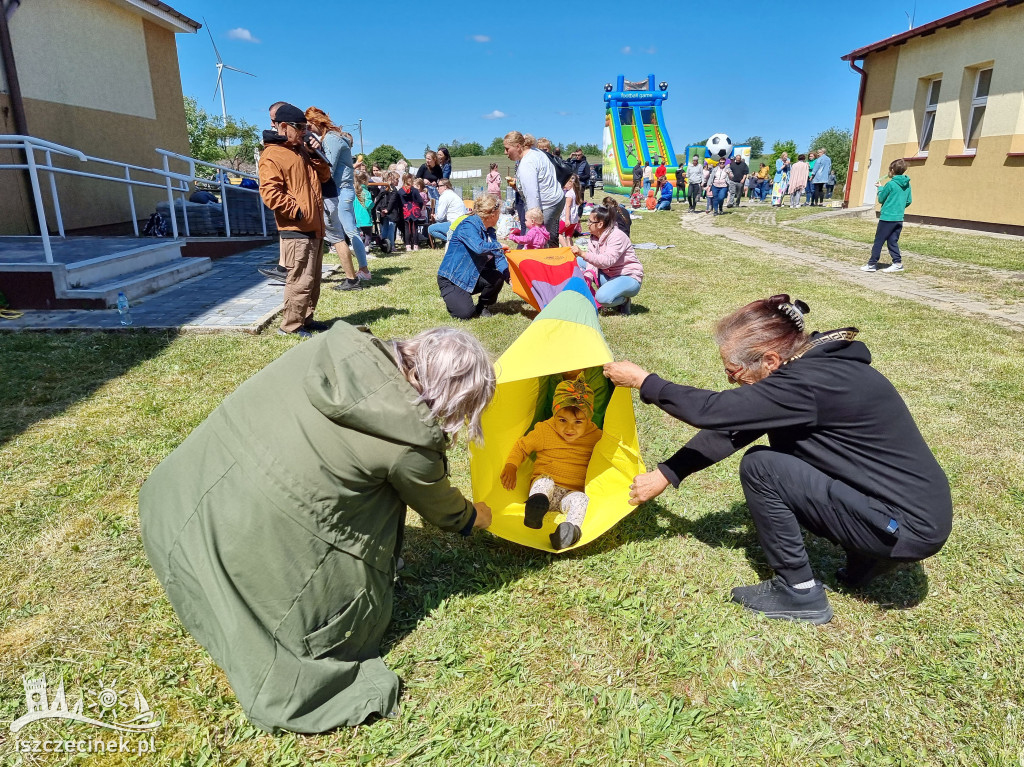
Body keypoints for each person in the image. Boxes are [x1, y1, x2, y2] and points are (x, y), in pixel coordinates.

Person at [140, 323, 496, 733]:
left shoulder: (334, 349)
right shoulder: (409, 443)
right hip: (236, 540)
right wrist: (481, 516)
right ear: (454, 397)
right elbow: (448, 514)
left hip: (174, 504)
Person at [603, 294, 953, 624]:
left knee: (762, 468)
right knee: (784, 459)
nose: (730, 379)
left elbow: (714, 412)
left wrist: (646, 382)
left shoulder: (806, 383)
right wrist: (667, 473)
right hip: (914, 516)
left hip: (905, 527)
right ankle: (868, 560)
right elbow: (735, 428)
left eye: (733, 370)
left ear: (770, 359)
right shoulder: (822, 368)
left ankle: (799, 592)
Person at [501, 375, 603, 550]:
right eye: (562, 420)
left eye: (578, 422)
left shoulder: (596, 437)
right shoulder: (545, 430)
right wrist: (511, 465)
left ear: (589, 419)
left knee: (581, 500)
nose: (569, 428)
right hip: (546, 491)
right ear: (554, 414)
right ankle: (535, 510)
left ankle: (569, 532)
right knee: (544, 481)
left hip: (570, 494)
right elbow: (522, 447)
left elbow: (610, 453)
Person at [257, 103, 332, 338]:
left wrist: (315, 154)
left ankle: (305, 319)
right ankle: (289, 326)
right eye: (299, 127)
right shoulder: (272, 155)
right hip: (297, 228)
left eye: (305, 127)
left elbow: (325, 177)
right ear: (282, 126)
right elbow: (270, 193)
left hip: (314, 227)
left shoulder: (300, 149)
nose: (303, 131)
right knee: (299, 280)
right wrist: (298, 212)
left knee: (312, 280)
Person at [306, 108, 370, 290]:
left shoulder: (332, 139)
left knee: (349, 232)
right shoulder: (331, 138)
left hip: (341, 190)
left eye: (309, 125)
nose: (308, 130)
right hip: (342, 190)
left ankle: (363, 270)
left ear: (316, 123)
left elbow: (328, 168)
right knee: (348, 231)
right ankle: (362, 270)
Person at [436, 193, 509, 319]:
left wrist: (510, 278)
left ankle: (483, 306)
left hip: (473, 274)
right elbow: (479, 247)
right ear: (492, 215)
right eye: (499, 213)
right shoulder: (468, 225)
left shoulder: (490, 231)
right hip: (452, 279)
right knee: (465, 314)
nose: (499, 217)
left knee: (498, 277)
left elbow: (499, 257)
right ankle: (456, 298)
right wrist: (498, 245)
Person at [571, 204, 643, 315]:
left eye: (590, 221)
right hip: (609, 275)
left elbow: (607, 261)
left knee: (602, 298)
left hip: (628, 277)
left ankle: (624, 301)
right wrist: (588, 278)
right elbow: (592, 262)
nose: (587, 224)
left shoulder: (617, 236)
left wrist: (583, 254)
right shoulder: (593, 237)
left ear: (600, 224)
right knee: (576, 261)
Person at [503, 131, 565, 247]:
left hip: (547, 204)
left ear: (518, 146)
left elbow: (533, 195)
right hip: (557, 200)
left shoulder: (527, 163)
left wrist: (533, 221)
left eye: (507, 149)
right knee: (544, 239)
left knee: (533, 241)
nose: (505, 152)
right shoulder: (536, 152)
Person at [862, 158, 912, 273]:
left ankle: (871, 264)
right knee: (892, 241)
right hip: (899, 218)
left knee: (879, 241)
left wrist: (880, 188)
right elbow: (909, 201)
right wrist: (898, 207)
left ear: (892, 170)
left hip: (887, 218)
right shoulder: (907, 185)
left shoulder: (891, 184)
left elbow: (881, 198)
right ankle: (897, 263)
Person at [428, 178, 468, 243]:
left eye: (439, 186)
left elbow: (440, 217)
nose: (437, 188)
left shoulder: (444, 196)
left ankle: (452, 241)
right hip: (463, 223)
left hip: (454, 224)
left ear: (445, 187)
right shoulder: (454, 195)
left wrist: (435, 217)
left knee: (431, 229)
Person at [373, 171, 403, 254]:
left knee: (388, 227)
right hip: (390, 211)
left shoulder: (385, 188)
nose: (398, 181)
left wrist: (384, 209)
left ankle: (387, 244)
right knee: (389, 228)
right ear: (391, 179)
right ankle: (390, 245)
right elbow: (388, 200)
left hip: (387, 211)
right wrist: (384, 209)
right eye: (396, 179)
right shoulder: (390, 189)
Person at [397, 173, 425, 251]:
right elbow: (420, 201)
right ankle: (415, 245)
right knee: (414, 228)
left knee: (407, 228)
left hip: (405, 210)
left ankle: (408, 245)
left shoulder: (400, 191)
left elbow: (399, 202)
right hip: (414, 210)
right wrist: (418, 207)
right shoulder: (415, 190)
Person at [566, 149, 591, 217]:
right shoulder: (573, 162)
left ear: (582, 155)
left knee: (579, 201)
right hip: (572, 184)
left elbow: (588, 175)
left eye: (579, 155)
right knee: (571, 199)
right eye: (576, 155)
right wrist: (570, 157)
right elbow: (565, 166)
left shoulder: (585, 163)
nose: (577, 156)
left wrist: (580, 177)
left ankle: (579, 216)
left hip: (581, 185)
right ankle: (571, 215)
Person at [559, 174, 581, 246]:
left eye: (565, 183)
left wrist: (567, 219)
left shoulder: (569, 194)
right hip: (574, 219)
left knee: (558, 233)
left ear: (570, 183)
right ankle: (571, 251)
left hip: (568, 218)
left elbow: (568, 206)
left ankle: (566, 249)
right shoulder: (576, 192)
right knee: (568, 236)